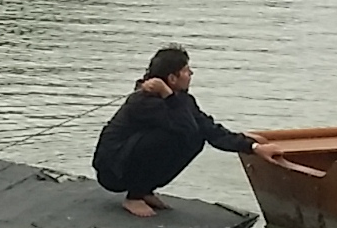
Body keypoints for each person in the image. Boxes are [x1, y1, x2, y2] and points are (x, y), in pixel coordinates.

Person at [93, 45, 258, 215]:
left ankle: (144, 190)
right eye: (186, 70)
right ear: (172, 78)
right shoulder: (145, 101)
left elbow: (209, 128)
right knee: (172, 136)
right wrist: (168, 95)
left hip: (127, 161)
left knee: (196, 138)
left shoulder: (182, 100)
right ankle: (134, 197)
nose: (191, 73)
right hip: (112, 171)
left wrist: (253, 146)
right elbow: (185, 127)